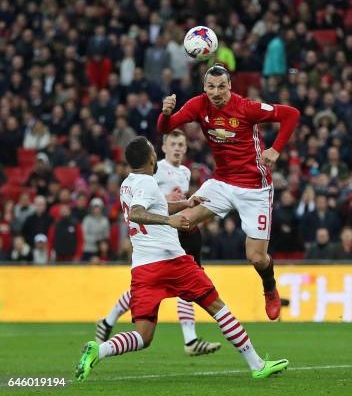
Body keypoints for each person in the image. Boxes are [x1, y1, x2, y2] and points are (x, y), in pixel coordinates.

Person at [75, 137, 288, 382]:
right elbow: (137, 212)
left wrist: (185, 204)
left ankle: (98, 350)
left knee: (143, 336)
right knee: (218, 308)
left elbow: (153, 206)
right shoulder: (147, 181)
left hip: (143, 269)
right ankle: (257, 364)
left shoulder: (128, 184)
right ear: (152, 158)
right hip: (172, 262)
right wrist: (170, 221)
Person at [157, 64, 300, 320]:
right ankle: (196, 270)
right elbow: (165, 128)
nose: (216, 92)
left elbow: (291, 114)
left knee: (256, 257)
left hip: (255, 188)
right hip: (222, 182)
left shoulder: (247, 107)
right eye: (211, 87)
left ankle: (269, 288)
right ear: (204, 88)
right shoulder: (199, 105)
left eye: (221, 86)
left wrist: (276, 149)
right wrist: (166, 114)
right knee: (183, 221)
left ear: (230, 86)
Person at [95, 130, 218, 356]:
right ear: (162, 149)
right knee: (158, 283)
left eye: (182, 144)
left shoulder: (185, 172)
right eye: (174, 144)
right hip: (155, 232)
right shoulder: (155, 170)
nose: (179, 148)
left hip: (175, 230)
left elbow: (164, 202)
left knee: (185, 284)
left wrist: (187, 205)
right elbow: (146, 204)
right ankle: (109, 319)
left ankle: (190, 339)